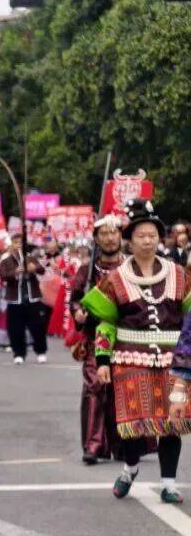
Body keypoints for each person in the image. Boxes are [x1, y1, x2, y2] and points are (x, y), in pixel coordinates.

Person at [82, 199, 191, 503]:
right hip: (129, 360)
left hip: (172, 361)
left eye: (152, 235)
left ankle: (169, 483)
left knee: (173, 423)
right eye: (141, 235)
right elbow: (106, 323)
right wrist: (102, 360)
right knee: (132, 424)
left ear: (161, 238)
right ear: (129, 240)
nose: (147, 240)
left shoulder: (179, 275)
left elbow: (190, 318)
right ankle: (130, 469)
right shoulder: (115, 278)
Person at [70, 216, 125, 464]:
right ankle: (92, 444)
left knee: (124, 389)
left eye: (114, 233)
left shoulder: (130, 268)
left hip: (127, 337)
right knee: (94, 387)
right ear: (96, 238)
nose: (110, 237)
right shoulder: (87, 270)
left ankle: (125, 443)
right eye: (104, 233)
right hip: (96, 337)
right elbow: (76, 299)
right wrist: (78, 312)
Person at [0, 232, 48, 364]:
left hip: (32, 297)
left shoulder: (30, 258)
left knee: (37, 326)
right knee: (16, 328)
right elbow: (2, 275)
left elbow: (42, 270)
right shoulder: (6, 261)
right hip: (16, 299)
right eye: (15, 243)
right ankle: (18, 353)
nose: (18, 245)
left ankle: (41, 351)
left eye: (20, 242)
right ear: (11, 245)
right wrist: (14, 273)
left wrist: (35, 268)